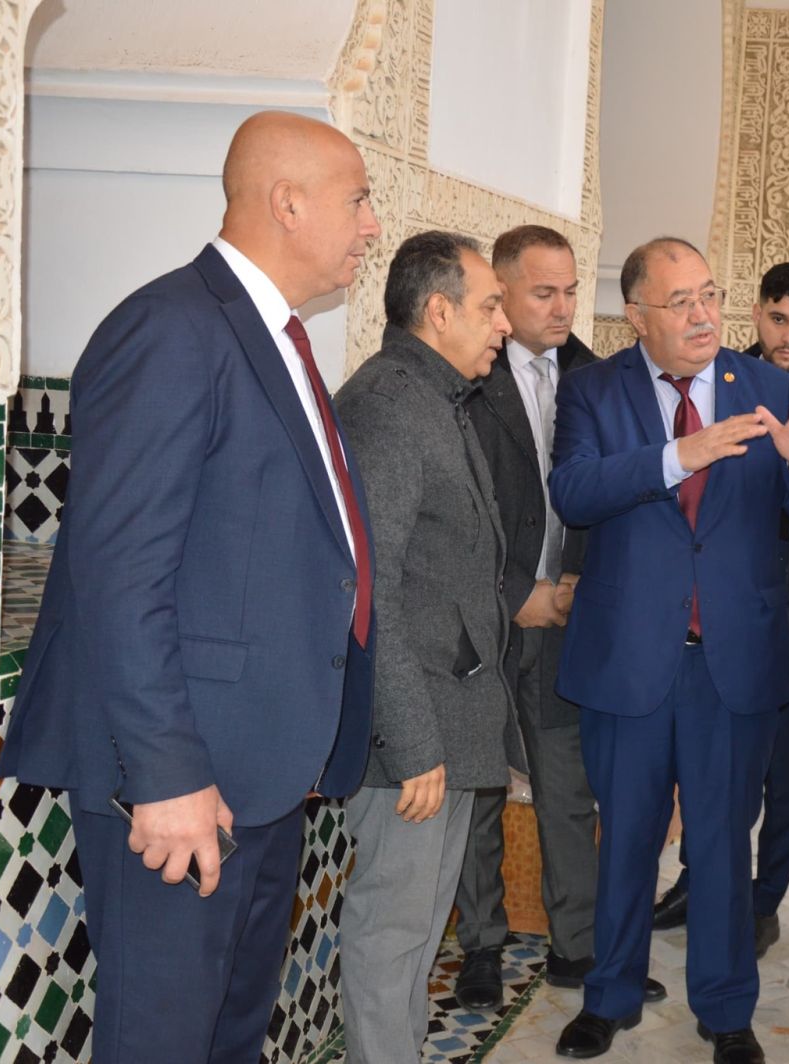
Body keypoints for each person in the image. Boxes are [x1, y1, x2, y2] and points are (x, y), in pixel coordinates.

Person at [0, 111, 380, 1064]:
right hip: (180, 781)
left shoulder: (277, 337)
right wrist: (165, 775)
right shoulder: (171, 328)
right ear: (287, 203)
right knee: (163, 1041)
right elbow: (120, 573)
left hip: (262, 771)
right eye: (358, 201)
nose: (371, 225)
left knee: (229, 1037)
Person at [549, 237, 789, 1064]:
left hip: (731, 660)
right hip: (628, 658)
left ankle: (726, 1010)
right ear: (635, 315)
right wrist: (679, 456)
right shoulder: (592, 390)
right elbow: (573, 492)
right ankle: (609, 997)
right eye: (679, 302)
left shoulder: (765, 387)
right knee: (627, 839)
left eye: (710, 295)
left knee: (720, 843)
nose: (702, 315)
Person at [652, 264, 789, 957]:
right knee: (710, 757)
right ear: (756, 313)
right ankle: (698, 879)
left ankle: (764, 898)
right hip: (716, 602)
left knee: (781, 764)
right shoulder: (720, 380)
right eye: (779, 319)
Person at [333, 231, 514, 1063]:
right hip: (414, 737)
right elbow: (371, 592)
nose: (503, 324)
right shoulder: (388, 405)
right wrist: (410, 743)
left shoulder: (436, 395)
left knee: (418, 933)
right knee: (392, 931)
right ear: (439, 311)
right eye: (490, 306)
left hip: (450, 720)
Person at [452, 224, 601, 1010]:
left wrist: (575, 583)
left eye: (571, 290)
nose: (563, 306)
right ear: (502, 292)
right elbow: (455, 514)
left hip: (568, 616)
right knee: (479, 786)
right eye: (545, 292)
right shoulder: (466, 382)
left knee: (566, 787)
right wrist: (517, 591)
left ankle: (579, 945)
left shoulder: (595, 379)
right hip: (480, 618)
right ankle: (481, 944)